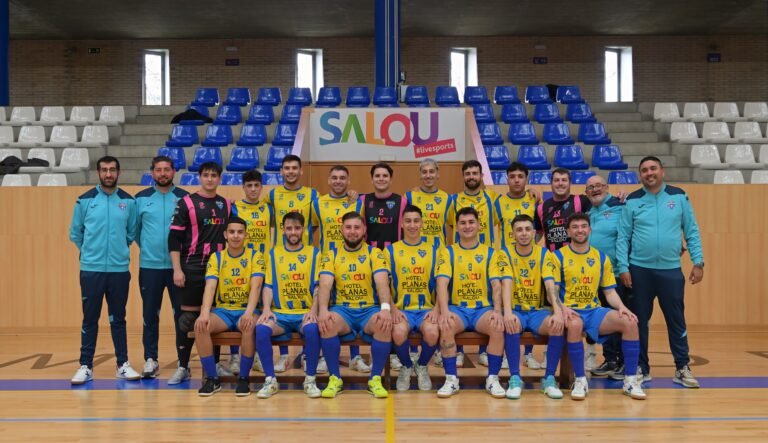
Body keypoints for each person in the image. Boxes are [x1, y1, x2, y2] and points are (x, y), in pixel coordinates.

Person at [616, 156, 704, 388]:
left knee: (676, 321)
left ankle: (682, 367)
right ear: (640, 175)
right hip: (639, 271)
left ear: (662, 171)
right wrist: (623, 267)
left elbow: (691, 231)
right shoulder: (633, 200)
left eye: (653, 168)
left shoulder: (679, 196)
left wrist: (698, 262)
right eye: (644, 170)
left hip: (670, 271)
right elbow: (623, 237)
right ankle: (641, 368)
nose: (649, 173)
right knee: (638, 322)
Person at [552, 213, 646, 401]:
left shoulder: (601, 257)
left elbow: (609, 292)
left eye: (583, 226)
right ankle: (580, 380)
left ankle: (630, 380)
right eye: (575, 227)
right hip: (570, 311)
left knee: (630, 322)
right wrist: (562, 308)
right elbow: (552, 291)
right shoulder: (558, 257)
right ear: (568, 232)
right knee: (575, 325)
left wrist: (622, 307)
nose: (580, 230)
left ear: (589, 230)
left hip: (594, 311)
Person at [69, 156, 140, 384]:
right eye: (104, 170)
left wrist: (118, 251)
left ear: (119, 172)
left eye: (112, 170)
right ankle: (85, 366)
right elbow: (76, 233)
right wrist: (91, 252)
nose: (108, 174)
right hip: (91, 270)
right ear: (98, 173)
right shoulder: (84, 200)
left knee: (118, 318)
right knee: (90, 318)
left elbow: (131, 233)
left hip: (119, 271)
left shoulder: (128, 202)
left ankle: (122, 364)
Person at [316, 212, 394, 398]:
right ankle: (335, 378)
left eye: (357, 227)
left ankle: (375, 379)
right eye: (348, 227)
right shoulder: (331, 255)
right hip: (342, 310)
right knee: (327, 323)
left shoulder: (375, 253)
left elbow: (382, 282)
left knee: (383, 324)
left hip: (369, 309)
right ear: (341, 230)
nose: (352, 231)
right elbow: (325, 284)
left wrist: (385, 309)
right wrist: (323, 310)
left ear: (364, 230)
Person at [168, 161, 231, 384]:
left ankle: (214, 365)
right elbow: (173, 238)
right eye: (206, 175)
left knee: (215, 317)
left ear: (219, 178)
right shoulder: (186, 203)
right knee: (187, 319)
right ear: (200, 177)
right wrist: (177, 269)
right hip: (192, 268)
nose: (210, 179)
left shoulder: (226, 205)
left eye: (214, 175)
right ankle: (183, 366)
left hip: (219, 271)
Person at [435, 207, 506, 398]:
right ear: (457, 227)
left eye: (471, 222)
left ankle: (493, 379)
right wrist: (444, 311)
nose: (467, 226)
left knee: (497, 326)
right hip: (458, 309)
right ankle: (451, 379)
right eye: (463, 223)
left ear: (479, 225)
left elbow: (496, 285)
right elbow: (442, 283)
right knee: (446, 325)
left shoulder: (491, 253)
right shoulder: (448, 252)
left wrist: (497, 311)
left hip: (482, 309)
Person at [255, 212, 323, 398]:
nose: (293, 232)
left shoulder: (314, 253)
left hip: (304, 313)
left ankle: (310, 380)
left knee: (312, 329)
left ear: (303, 230)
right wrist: (266, 309)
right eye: (289, 228)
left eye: (297, 228)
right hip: (280, 314)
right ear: (283, 230)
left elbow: (319, 286)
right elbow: (268, 286)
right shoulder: (273, 254)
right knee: (261, 329)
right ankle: (270, 380)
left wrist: (313, 310)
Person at [535, 168, 597, 370]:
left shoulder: (581, 201)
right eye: (556, 180)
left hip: (579, 264)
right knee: (552, 308)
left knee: (585, 305)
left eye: (564, 180)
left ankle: (590, 353)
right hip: (554, 265)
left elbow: (602, 203)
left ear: (570, 183)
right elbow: (537, 234)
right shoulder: (541, 208)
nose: (560, 183)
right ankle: (549, 353)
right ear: (551, 183)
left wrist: (620, 198)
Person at [194, 217, 264, 396]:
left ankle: (244, 379)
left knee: (249, 326)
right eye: (232, 232)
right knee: (200, 326)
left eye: (240, 232)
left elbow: (256, 286)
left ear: (246, 235)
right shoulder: (217, 257)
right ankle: (212, 379)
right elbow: (210, 287)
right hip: (224, 311)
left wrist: (248, 313)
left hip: (246, 309)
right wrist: (204, 313)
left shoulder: (255, 256)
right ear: (225, 234)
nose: (236, 236)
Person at [134, 156, 189, 378]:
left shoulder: (185, 198)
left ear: (174, 172)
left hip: (179, 268)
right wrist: (149, 248)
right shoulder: (141, 199)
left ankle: (183, 363)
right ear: (152, 173)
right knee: (150, 315)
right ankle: (150, 359)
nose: (163, 173)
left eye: (167, 169)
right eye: (158, 170)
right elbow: (135, 231)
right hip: (150, 268)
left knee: (182, 317)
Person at [500, 215, 565, 399]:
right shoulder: (505, 253)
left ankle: (549, 379)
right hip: (516, 310)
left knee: (557, 326)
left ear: (534, 232)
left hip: (537, 312)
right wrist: (507, 313)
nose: (524, 233)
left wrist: (558, 312)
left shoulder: (544, 254)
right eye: (519, 230)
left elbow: (550, 285)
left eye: (528, 229)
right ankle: (515, 378)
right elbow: (506, 284)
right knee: (511, 324)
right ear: (513, 234)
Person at [311, 165, 368, 373]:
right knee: (324, 308)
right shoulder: (317, 204)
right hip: (327, 263)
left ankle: (355, 357)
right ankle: (324, 356)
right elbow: (309, 229)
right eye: (334, 177)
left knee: (351, 305)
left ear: (348, 181)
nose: (338, 181)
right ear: (328, 180)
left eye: (342, 178)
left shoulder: (357, 203)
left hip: (352, 262)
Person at [263, 155, 318, 371]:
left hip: (304, 257)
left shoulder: (312, 194)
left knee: (306, 302)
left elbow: (315, 223)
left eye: (295, 168)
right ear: (281, 172)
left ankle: (306, 355)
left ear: (301, 171)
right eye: (287, 168)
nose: (291, 171)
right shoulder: (273, 195)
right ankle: (284, 356)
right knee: (279, 304)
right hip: (280, 257)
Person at [383, 205, 441, 392]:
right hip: (402, 310)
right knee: (398, 332)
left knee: (432, 332)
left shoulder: (435, 251)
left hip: (426, 309)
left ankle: (422, 366)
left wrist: (437, 309)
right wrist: (393, 309)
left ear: (422, 223)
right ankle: (407, 366)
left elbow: (443, 284)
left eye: (416, 221)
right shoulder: (390, 251)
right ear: (401, 224)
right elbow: (384, 284)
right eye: (408, 221)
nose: (412, 225)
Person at [494, 161, 543, 370]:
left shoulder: (534, 200)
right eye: (512, 176)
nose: (516, 180)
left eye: (520, 176)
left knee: (530, 303)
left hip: (529, 261)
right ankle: (507, 354)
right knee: (508, 307)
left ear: (526, 179)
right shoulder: (498, 202)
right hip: (506, 261)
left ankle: (528, 354)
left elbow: (540, 228)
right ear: (507, 179)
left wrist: (531, 246)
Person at [449, 160, 499, 366]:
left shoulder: (493, 198)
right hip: (460, 258)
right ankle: (458, 351)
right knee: (458, 299)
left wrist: (534, 192)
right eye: (467, 173)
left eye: (474, 173)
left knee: (485, 302)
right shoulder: (453, 200)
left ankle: (484, 351)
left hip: (486, 259)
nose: (471, 176)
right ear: (463, 177)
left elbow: (512, 207)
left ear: (481, 176)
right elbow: (449, 223)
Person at [230, 169, 274, 374]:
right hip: (241, 267)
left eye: (257, 185)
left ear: (262, 187)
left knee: (261, 312)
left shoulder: (268, 209)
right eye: (249, 186)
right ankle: (234, 356)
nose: (253, 189)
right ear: (243, 187)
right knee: (239, 308)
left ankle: (257, 356)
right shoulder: (235, 208)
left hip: (263, 267)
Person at [585, 175, 628, 379]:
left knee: (621, 318)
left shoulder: (621, 206)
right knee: (604, 320)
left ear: (607, 187)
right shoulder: (589, 212)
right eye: (590, 187)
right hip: (595, 278)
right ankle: (610, 360)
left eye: (598, 186)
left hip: (618, 274)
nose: (595, 190)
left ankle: (624, 362)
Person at [405, 158, 454, 248]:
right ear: (420, 175)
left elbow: (455, 226)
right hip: (415, 251)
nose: (428, 175)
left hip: (439, 252)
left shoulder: (447, 199)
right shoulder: (409, 197)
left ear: (437, 174)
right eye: (424, 172)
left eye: (431, 171)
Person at [359, 162, 407, 249]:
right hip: (369, 253)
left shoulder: (402, 201)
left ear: (391, 179)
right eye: (377, 176)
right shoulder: (362, 200)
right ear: (372, 179)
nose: (381, 179)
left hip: (395, 253)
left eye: (385, 176)